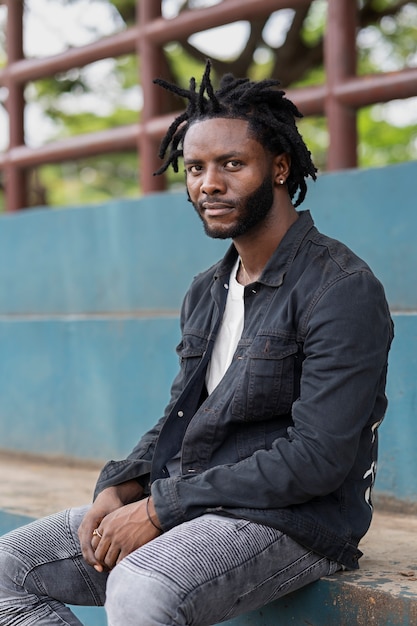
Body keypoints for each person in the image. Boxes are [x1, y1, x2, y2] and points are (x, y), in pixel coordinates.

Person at [0, 61, 393, 626]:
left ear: (280, 168)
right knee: (12, 563)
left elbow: (318, 458)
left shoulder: (341, 288)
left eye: (232, 164)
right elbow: (182, 416)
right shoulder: (208, 290)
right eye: (195, 168)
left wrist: (162, 506)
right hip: (197, 497)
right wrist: (124, 485)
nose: (209, 183)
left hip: (294, 520)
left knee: (139, 587)